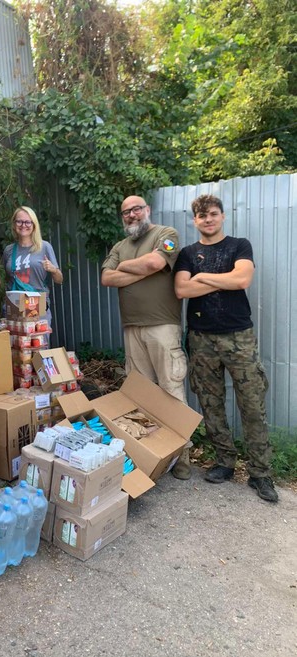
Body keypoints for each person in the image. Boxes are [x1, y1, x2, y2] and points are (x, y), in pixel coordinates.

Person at [174, 194, 277, 503]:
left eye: (213, 214)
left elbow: (242, 279)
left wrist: (203, 277)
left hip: (238, 337)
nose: (208, 219)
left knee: (252, 404)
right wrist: (225, 279)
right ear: (195, 220)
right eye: (202, 215)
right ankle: (224, 462)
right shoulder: (187, 253)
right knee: (211, 403)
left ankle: (260, 473)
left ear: (222, 216)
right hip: (201, 338)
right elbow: (181, 289)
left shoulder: (239, 246)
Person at [101, 195, 190, 480]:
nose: (131, 215)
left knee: (171, 390)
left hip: (162, 326)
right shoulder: (119, 246)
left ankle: (182, 456)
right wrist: (142, 269)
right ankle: (151, 453)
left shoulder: (166, 235)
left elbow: (154, 262)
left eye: (136, 209)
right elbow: (106, 278)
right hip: (132, 327)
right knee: (139, 394)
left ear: (147, 210)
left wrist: (127, 267)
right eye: (126, 212)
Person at [2, 206, 63, 326]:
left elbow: (59, 280)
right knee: (15, 338)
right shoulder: (9, 250)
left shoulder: (44, 247)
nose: (23, 225)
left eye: (28, 222)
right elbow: (7, 278)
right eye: (19, 221)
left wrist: (53, 270)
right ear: (14, 224)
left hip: (36, 305)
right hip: (14, 304)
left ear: (34, 225)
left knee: (37, 338)